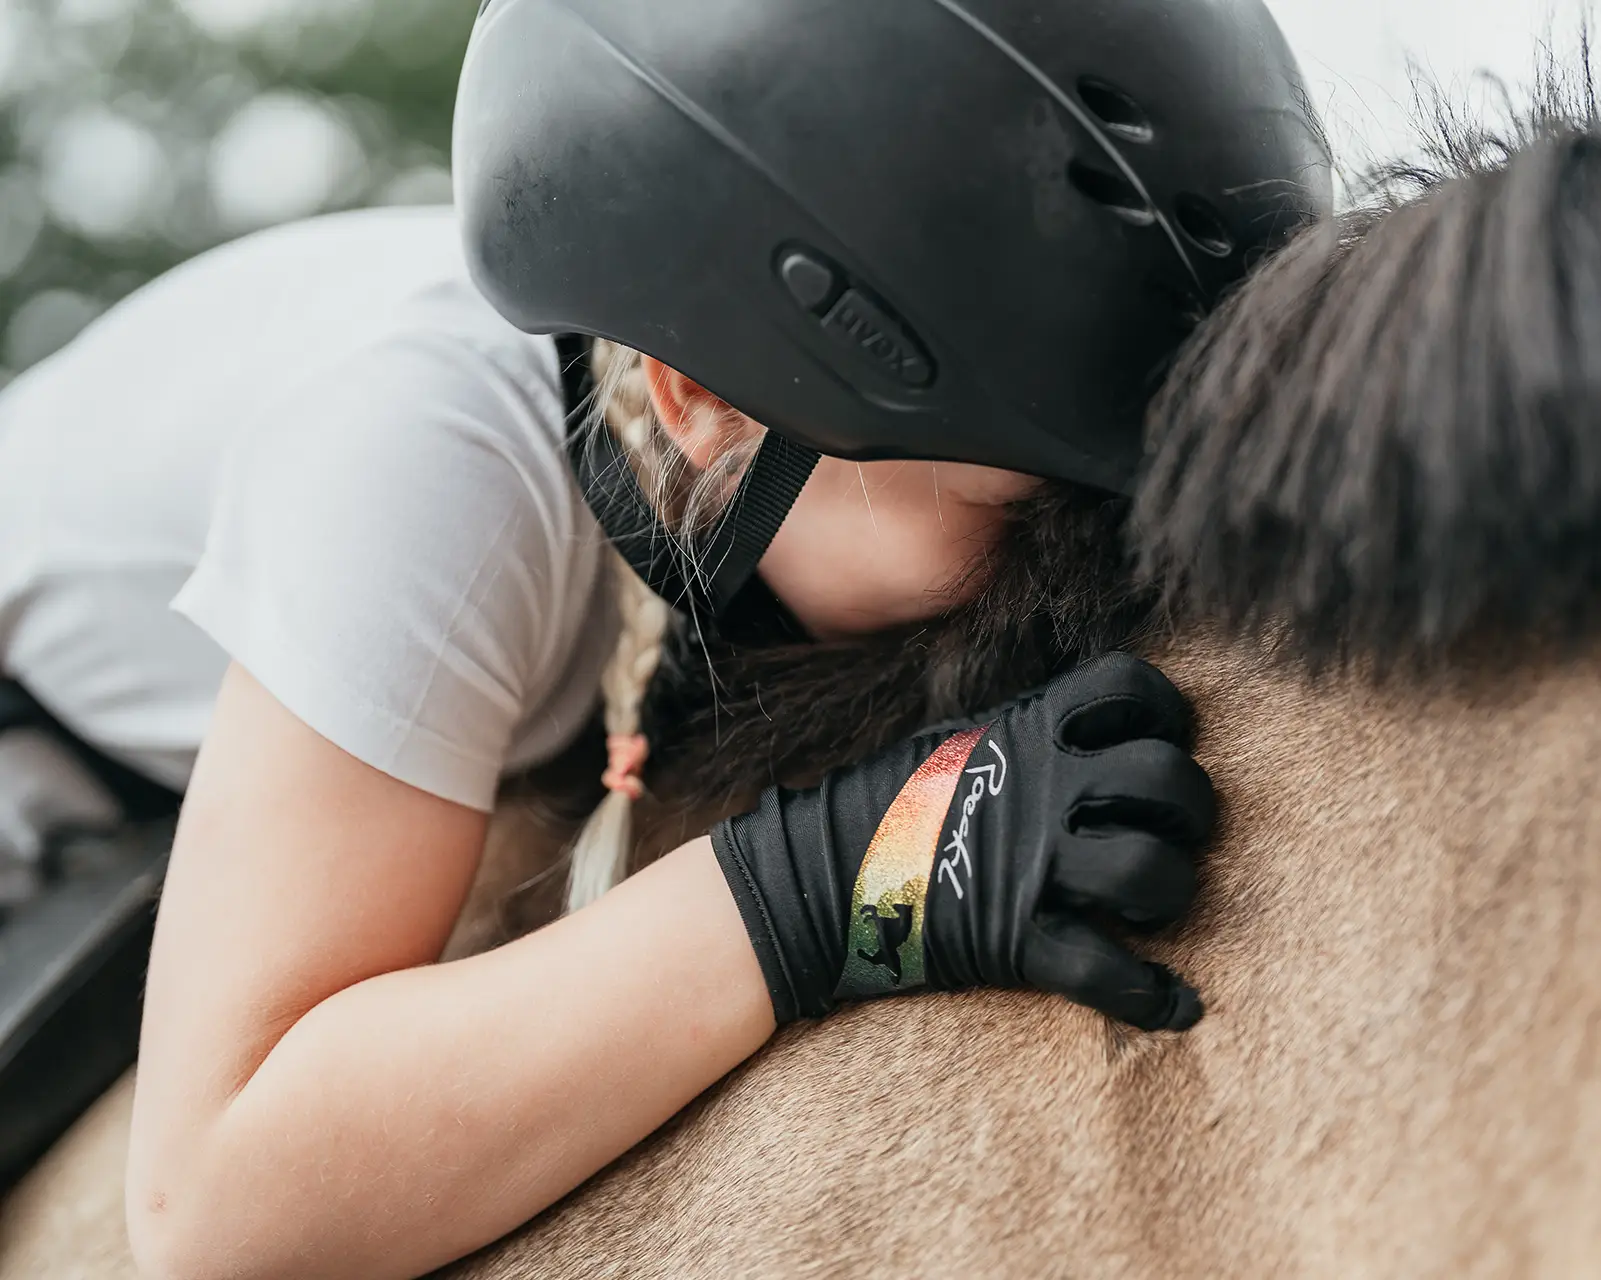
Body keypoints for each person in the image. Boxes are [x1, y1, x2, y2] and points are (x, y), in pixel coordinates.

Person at [0, 2, 1327, 1276]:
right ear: (702, 405)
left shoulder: (684, 430)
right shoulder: (431, 461)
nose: (1071, 568)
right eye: (1013, 502)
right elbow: (219, 1197)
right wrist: (842, 880)